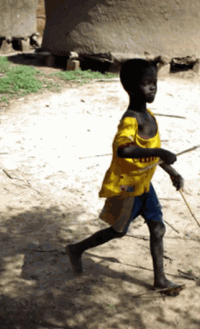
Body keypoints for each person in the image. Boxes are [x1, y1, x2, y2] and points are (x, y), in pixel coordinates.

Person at [66, 59, 185, 293]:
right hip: (127, 188)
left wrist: (172, 172)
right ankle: (76, 249)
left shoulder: (150, 116)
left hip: (144, 185)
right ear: (130, 88)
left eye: (155, 82)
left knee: (158, 229)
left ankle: (160, 280)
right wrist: (159, 151)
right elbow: (124, 149)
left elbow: (150, 156)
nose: (153, 88)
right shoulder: (130, 120)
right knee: (117, 232)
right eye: (146, 84)